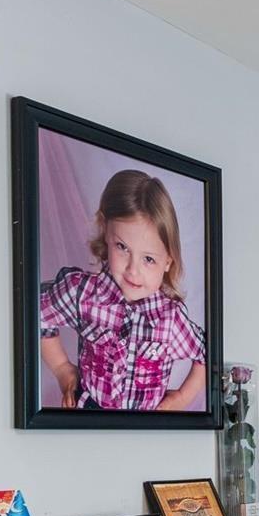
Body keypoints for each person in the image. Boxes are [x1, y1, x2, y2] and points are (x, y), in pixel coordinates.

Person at [39, 168, 206, 411]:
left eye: (148, 259)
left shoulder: (170, 318)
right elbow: (39, 313)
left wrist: (180, 398)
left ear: (168, 260)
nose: (133, 270)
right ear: (105, 230)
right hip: (89, 417)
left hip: (144, 430)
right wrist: (63, 369)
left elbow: (204, 355)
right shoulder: (83, 294)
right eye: (122, 247)